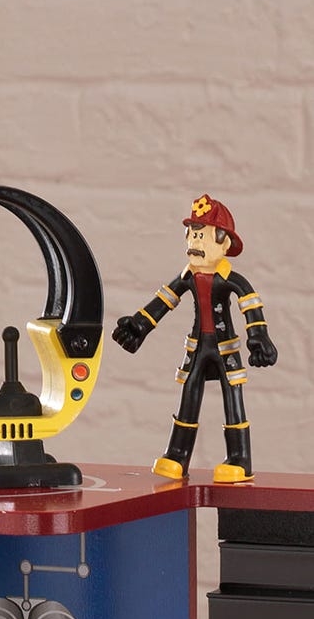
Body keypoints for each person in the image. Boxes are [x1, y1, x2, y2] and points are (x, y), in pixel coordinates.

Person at [112, 194, 277, 483]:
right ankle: (177, 454)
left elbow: (250, 305)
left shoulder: (231, 279)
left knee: (233, 398)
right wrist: (140, 325)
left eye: (202, 236)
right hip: (198, 347)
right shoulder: (187, 276)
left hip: (225, 349)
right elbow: (163, 301)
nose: (194, 243)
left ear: (224, 243)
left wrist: (258, 335)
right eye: (192, 235)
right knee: (189, 395)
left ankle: (240, 458)